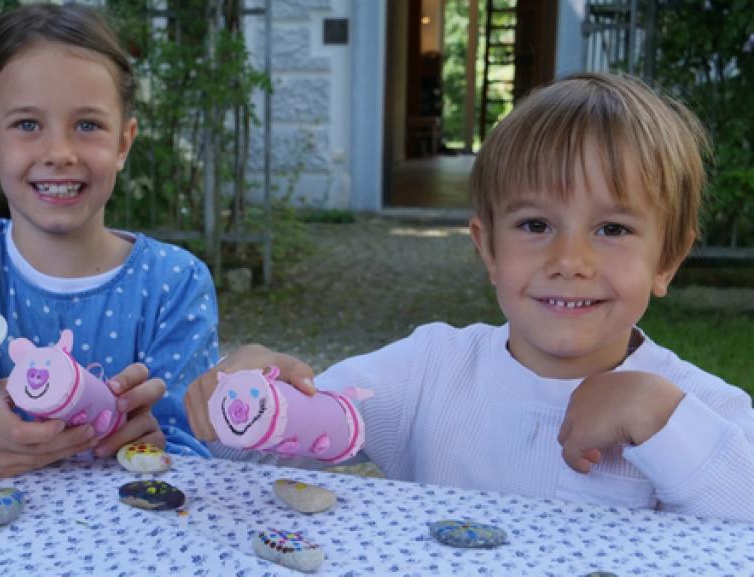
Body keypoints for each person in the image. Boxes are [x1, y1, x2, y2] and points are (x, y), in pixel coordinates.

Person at [186, 73, 754, 522]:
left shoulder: (701, 407)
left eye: (612, 229)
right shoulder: (430, 370)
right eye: (535, 225)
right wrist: (244, 402)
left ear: (669, 258)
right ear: (488, 249)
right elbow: (268, 448)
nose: (569, 262)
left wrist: (656, 417)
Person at [0, 3, 218, 477]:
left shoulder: (174, 284)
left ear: (124, 144)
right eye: (27, 124)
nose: (59, 154)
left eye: (87, 125)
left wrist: (157, 434)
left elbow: (194, 451)